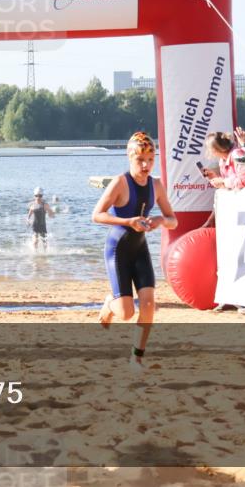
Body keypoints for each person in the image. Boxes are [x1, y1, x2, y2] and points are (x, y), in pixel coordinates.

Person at [93, 131, 178, 371]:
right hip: (118, 250)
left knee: (149, 306)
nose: (146, 165)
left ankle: (136, 358)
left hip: (140, 250)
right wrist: (128, 221)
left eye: (150, 159)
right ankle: (111, 304)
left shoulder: (156, 184)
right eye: (140, 159)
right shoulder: (120, 183)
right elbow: (97, 215)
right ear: (130, 158)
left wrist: (160, 221)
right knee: (126, 313)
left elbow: (173, 220)